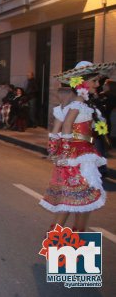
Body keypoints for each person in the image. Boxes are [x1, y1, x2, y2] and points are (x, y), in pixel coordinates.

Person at [40, 60, 115, 231]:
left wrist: (54, 149)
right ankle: (73, 241)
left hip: (79, 154)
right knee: (81, 201)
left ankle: (57, 240)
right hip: (79, 156)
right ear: (83, 82)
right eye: (95, 81)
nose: (97, 84)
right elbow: (66, 126)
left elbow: (55, 130)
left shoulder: (75, 104)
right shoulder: (78, 104)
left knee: (71, 201)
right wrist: (65, 151)